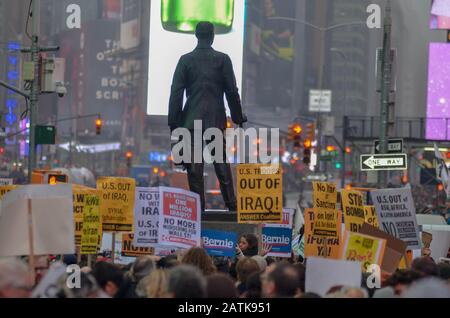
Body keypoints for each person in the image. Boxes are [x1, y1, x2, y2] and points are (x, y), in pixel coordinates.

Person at [168, 21, 247, 212]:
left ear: (196, 36)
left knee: (194, 167)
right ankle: (231, 204)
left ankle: (199, 208)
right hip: (215, 119)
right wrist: (237, 116)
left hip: (191, 120)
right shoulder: (223, 60)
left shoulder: (185, 60)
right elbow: (232, 91)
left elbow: (176, 93)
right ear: (212, 36)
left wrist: (174, 123)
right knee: (220, 161)